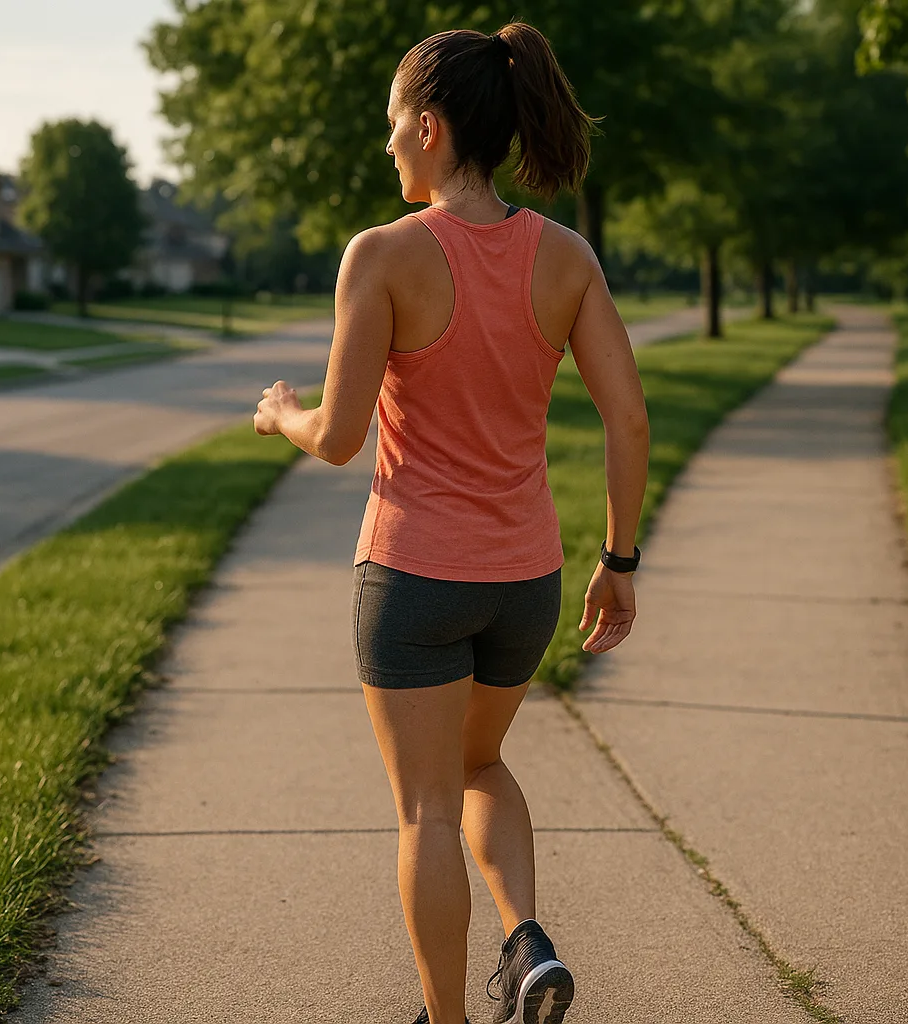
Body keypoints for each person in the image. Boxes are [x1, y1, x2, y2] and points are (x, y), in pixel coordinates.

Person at [253, 21, 649, 1024]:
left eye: (392, 125)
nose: (385, 144)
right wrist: (619, 560)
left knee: (427, 805)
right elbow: (630, 417)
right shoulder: (565, 258)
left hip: (412, 578)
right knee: (481, 764)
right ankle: (527, 940)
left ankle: (448, 1019)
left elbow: (340, 437)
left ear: (430, 128)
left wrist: (279, 415)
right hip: (524, 582)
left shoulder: (382, 257)